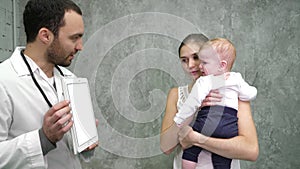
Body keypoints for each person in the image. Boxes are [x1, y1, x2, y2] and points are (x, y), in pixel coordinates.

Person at [0, 0, 98, 168]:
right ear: (45, 36)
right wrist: (43, 139)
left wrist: (85, 143)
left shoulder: (71, 79)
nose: (80, 47)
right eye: (74, 38)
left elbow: (75, 153)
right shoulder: (4, 80)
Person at [160, 34, 259, 169]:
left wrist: (197, 140)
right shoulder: (176, 94)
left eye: (196, 57)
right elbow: (166, 147)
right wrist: (194, 107)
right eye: (184, 60)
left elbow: (250, 151)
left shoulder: (233, 91)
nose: (191, 65)